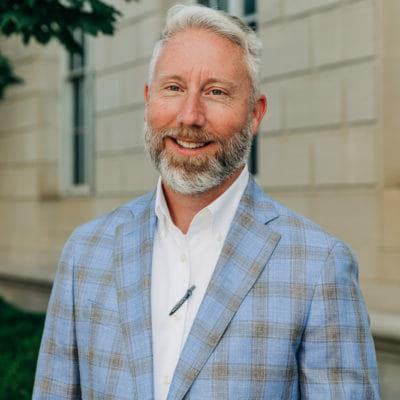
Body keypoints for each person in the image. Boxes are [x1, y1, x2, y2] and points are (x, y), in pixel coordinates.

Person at [33, 4, 380, 399]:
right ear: (149, 102)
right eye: (174, 88)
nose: (190, 115)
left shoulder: (319, 266)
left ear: (255, 114)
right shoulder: (85, 252)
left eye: (216, 92)